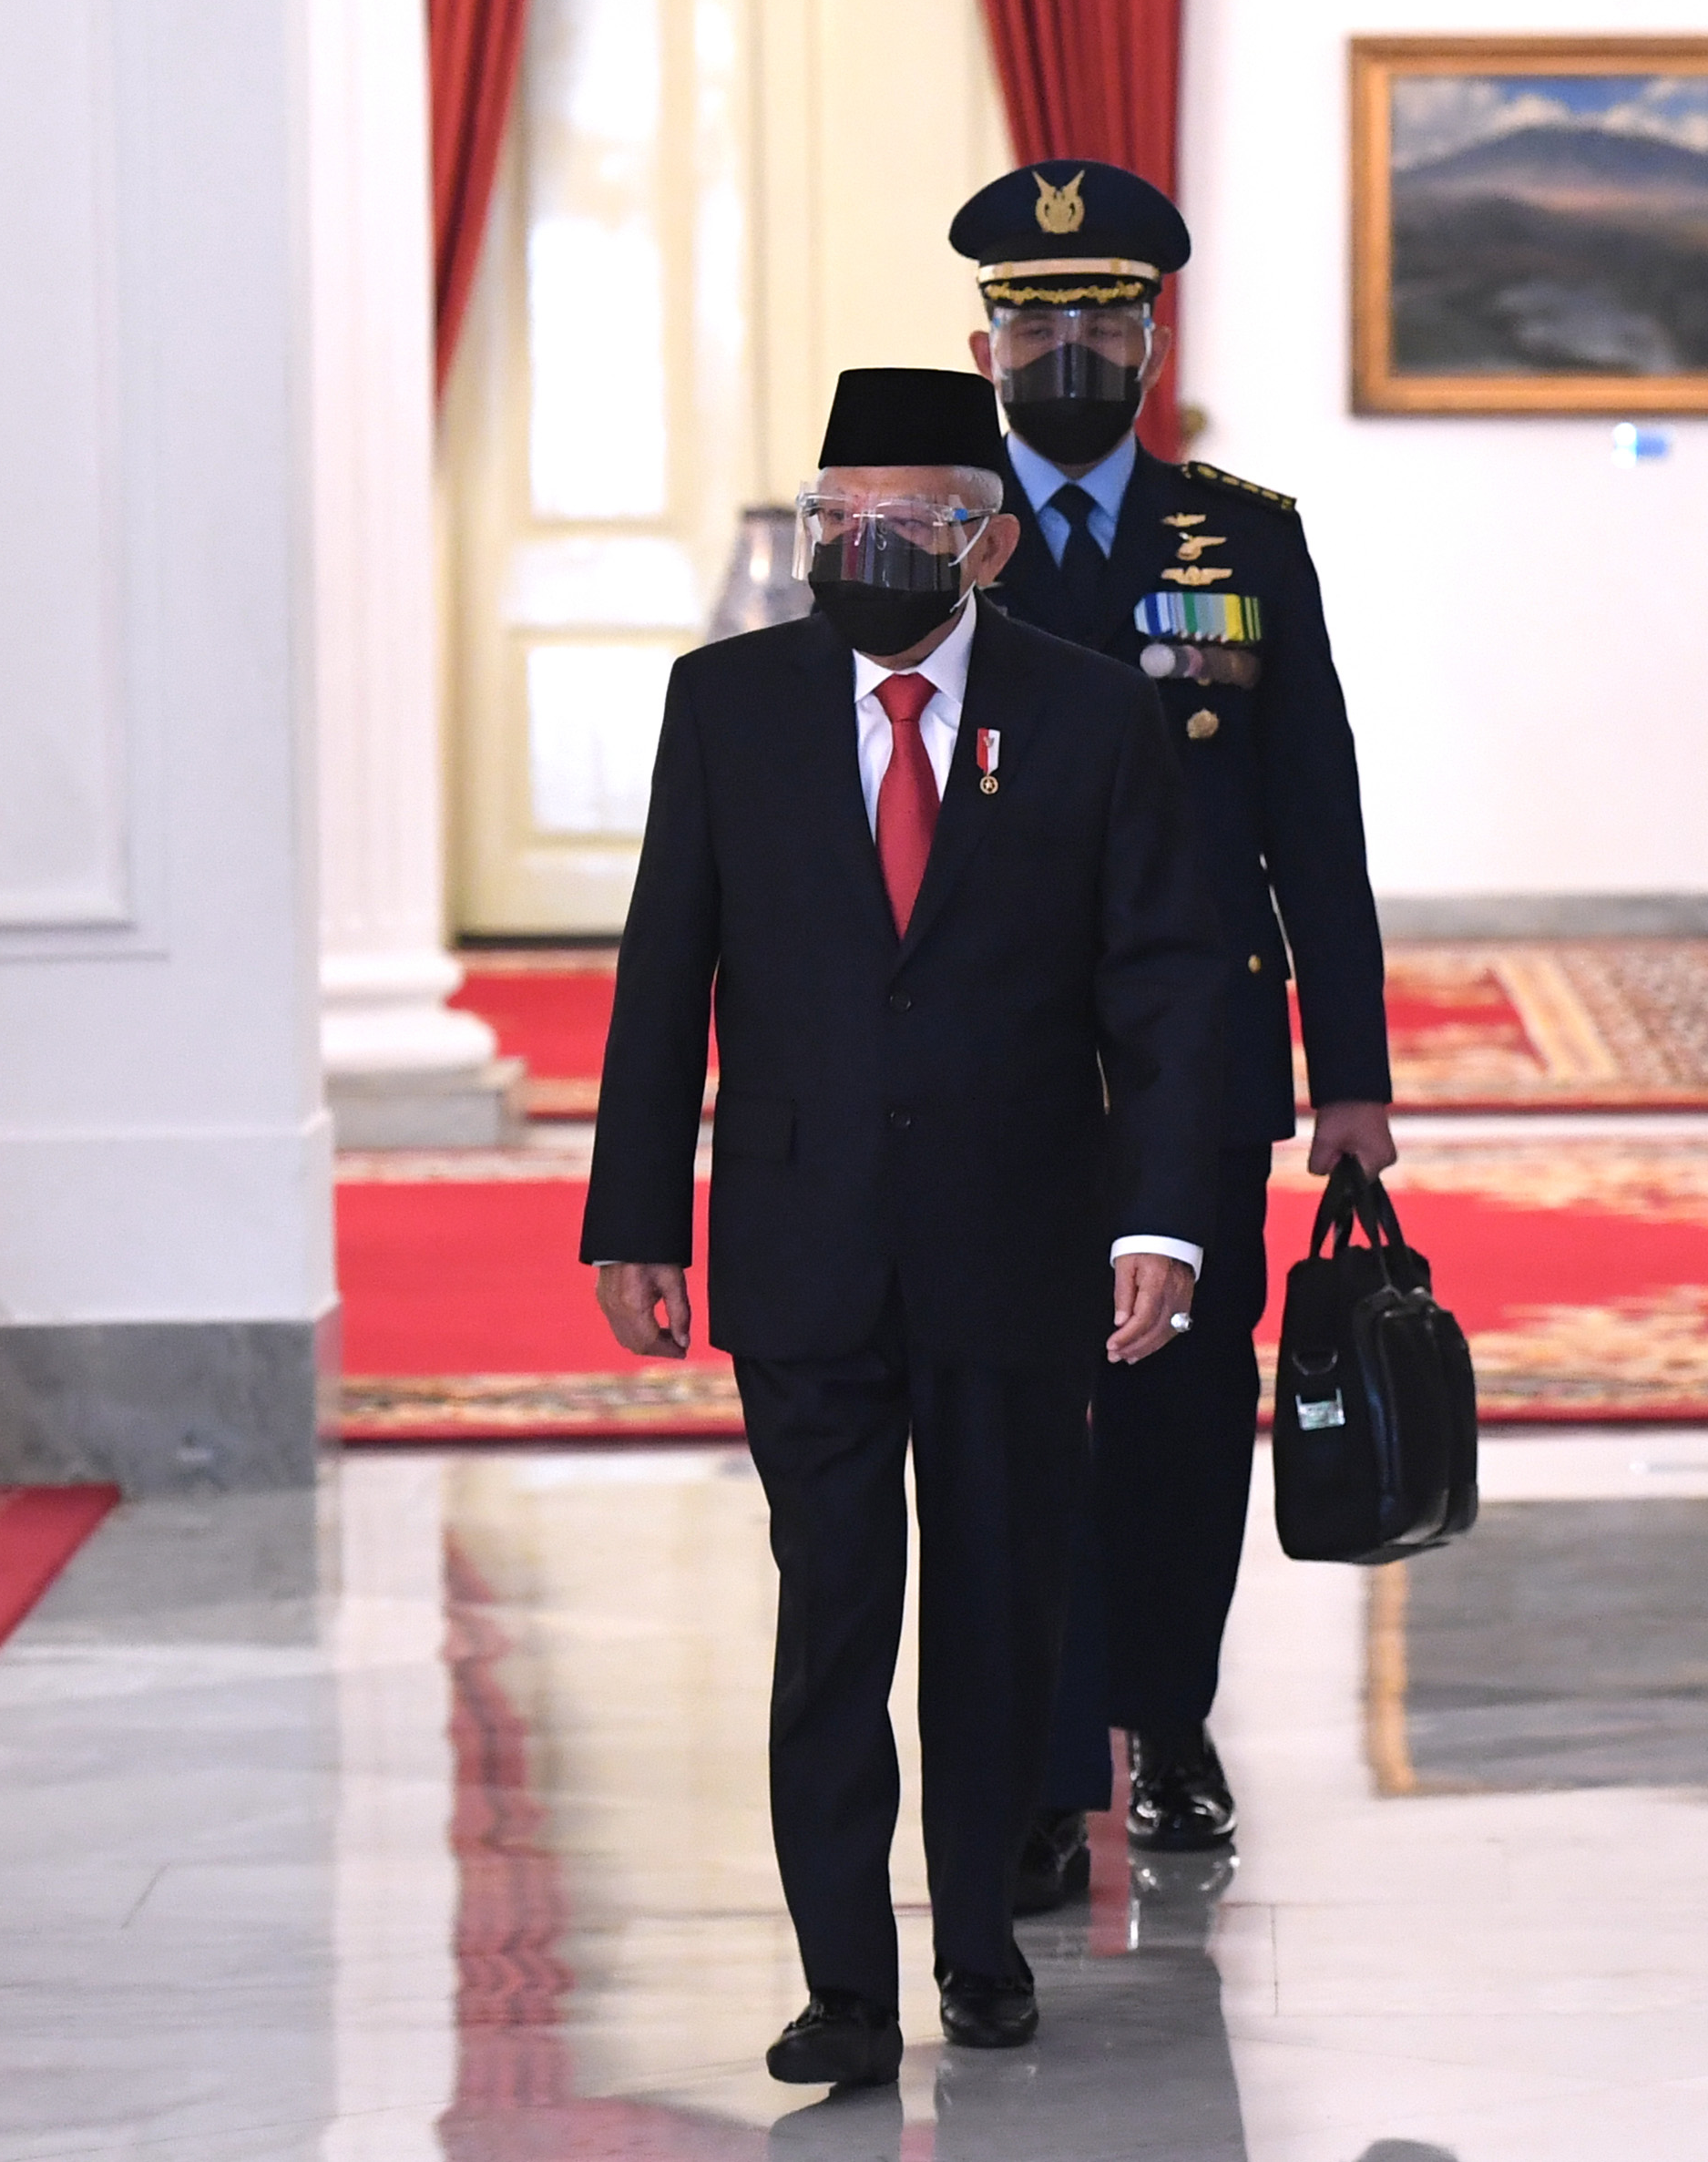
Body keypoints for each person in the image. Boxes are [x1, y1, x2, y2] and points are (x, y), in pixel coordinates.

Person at [580, 367, 1232, 2082]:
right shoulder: (726, 704)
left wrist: (1159, 1216)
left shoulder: (1090, 716)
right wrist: (635, 1215)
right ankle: (844, 1984)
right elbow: (666, 975)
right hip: (804, 1244)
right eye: (836, 521)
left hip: (1016, 1243)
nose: (862, 551)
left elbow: (1166, 993)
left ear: (988, 542)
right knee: (833, 1616)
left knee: (1001, 1611)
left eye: (905, 524)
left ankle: (982, 1946)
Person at [943, 160, 1395, 1900]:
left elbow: (1317, 824)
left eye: (1103, 320)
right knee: (1016, 1409)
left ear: (1153, 336)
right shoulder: (938, 531)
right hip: (994, 1067)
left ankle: (1170, 1719)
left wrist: (1349, 1073)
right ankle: (1052, 1768)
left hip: (1197, 1058)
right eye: (1038, 320)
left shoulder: (1240, 538)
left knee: (1188, 1404)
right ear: (982, 341)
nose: (1072, 347)